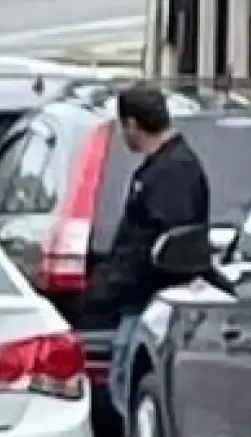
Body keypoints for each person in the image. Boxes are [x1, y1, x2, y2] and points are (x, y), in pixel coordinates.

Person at [81, 82, 214, 329]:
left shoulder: (172, 173)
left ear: (132, 125)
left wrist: (107, 287)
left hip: (150, 304)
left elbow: (155, 244)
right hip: (141, 301)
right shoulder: (165, 167)